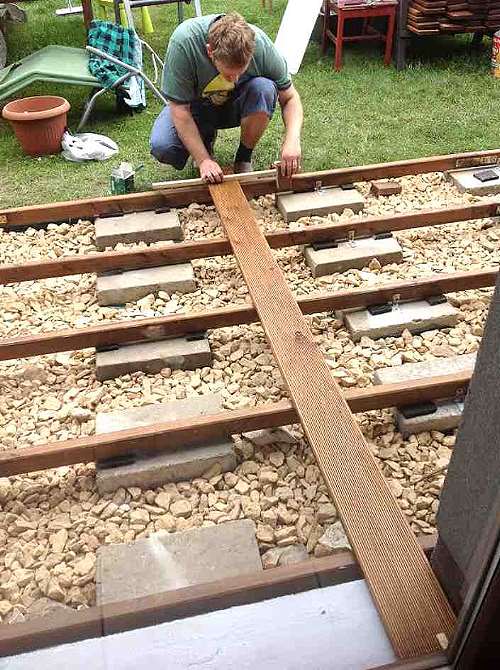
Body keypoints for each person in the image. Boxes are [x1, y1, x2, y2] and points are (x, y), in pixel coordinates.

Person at [150, 12, 303, 183]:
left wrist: (292, 140)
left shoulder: (260, 45)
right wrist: (203, 160)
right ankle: (205, 141)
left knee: (264, 89)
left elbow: (290, 98)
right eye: (229, 74)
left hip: (235, 104)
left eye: (241, 72)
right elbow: (179, 109)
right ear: (210, 51)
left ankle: (243, 158)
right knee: (163, 147)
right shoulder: (184, 43)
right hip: (195, 108)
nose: (235, 79)